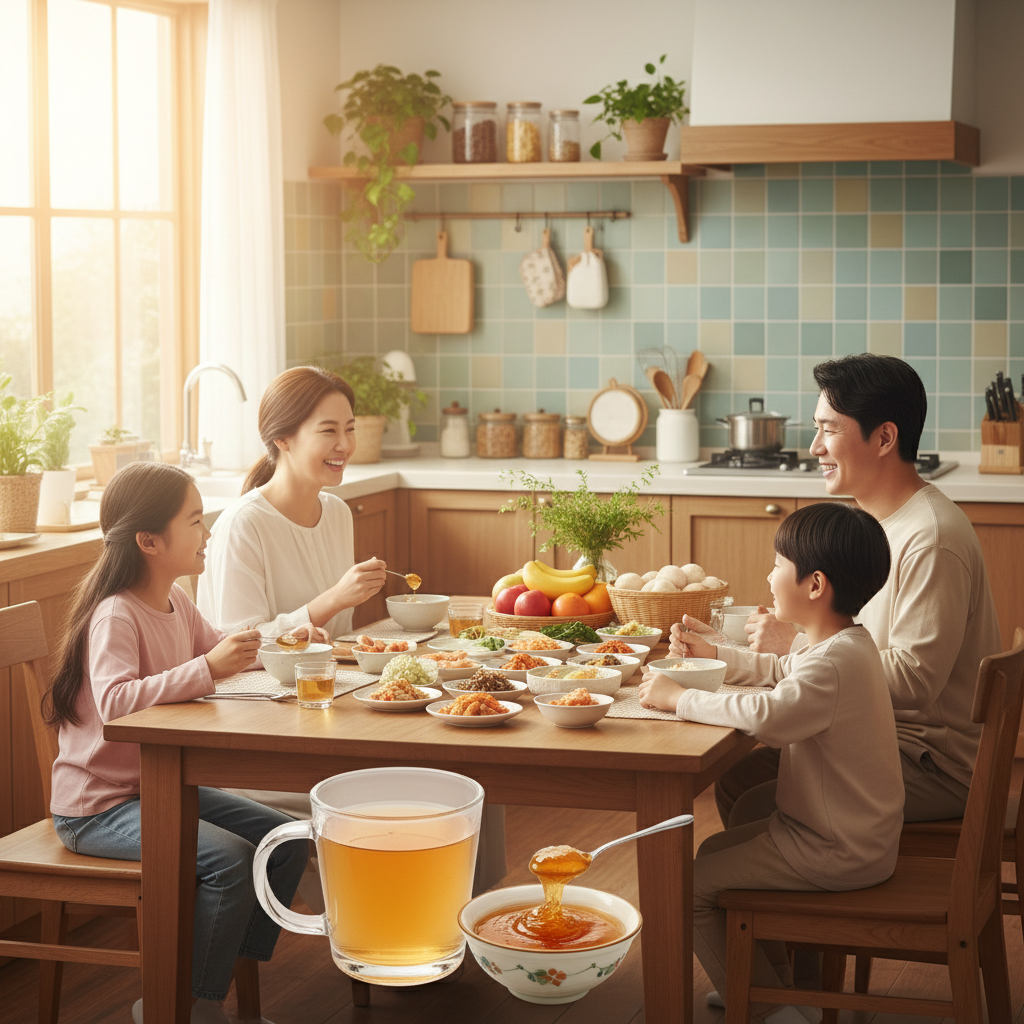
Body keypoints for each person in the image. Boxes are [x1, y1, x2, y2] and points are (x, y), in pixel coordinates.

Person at [198, 364, 506, 894]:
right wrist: (328, 603)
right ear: (282, 439)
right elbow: (237, 651)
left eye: (350, 427)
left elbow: (334, 644)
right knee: (431, 779)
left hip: (324, 712)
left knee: (472, 763)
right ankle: (400, 941)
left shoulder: (335, 512)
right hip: (257, 734)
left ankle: (459, 925)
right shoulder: (242, 525)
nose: (345, 443)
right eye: (328, 431)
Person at [46, 462, 306, 1024]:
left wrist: (286, 643)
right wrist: (207, 667)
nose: (206, 531)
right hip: (97, 808)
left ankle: (202, 977)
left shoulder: (177, 602)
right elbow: (117, 701)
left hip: (155, 788)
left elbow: (222, 654)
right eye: (195, 521)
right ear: (149, 540)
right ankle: (187, 1004)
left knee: (283, 839)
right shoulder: (116, 613)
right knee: (233, 860)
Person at [697, 354, 1001, 830]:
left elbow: (916, 681)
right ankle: (773, 899)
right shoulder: (876, 525)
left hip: (931, 762)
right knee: (738, 774)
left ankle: (797, 887)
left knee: (757, 797)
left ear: (884, 437)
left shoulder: (932, 537)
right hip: (886, 734)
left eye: (829, 430)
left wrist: (794, 641)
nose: (814, 447)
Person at [640, 502, 902, 1024]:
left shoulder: (831, 662)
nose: (768, 574)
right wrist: (716, 652)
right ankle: (769, 988)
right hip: (849, 835)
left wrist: (678, 699)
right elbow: (782, 668)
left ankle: (773, 1009)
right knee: (715, 851)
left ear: (814, 585)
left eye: (778, 564)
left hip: (834, 848)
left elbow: (772, 715)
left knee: (687, 888)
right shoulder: (844, 643)